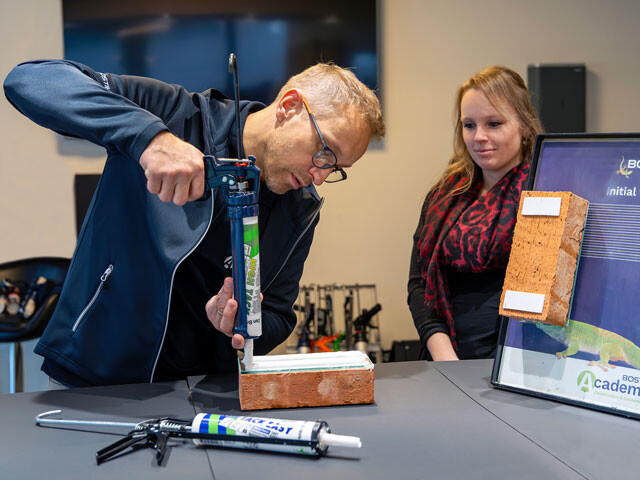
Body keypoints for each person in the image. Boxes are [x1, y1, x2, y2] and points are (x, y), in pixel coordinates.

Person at [3, 59, 384, 387]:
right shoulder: (173, 114)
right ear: (289, 106)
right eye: (325, 152)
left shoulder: (300, 208)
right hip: (97, 378)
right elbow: (30, 81)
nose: (321, 175)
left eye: (336, 168)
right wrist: (150, 138)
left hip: (204, 394)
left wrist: (240, 323)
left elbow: (278, 317)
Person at [407, 66, 542, 361]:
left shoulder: (544, 195)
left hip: (518, 364)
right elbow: (419, 283)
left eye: (493, 124)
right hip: (444, 363)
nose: (479, 136)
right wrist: (445, 357)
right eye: (469, 125)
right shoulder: (444, 195)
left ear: (525, 125)